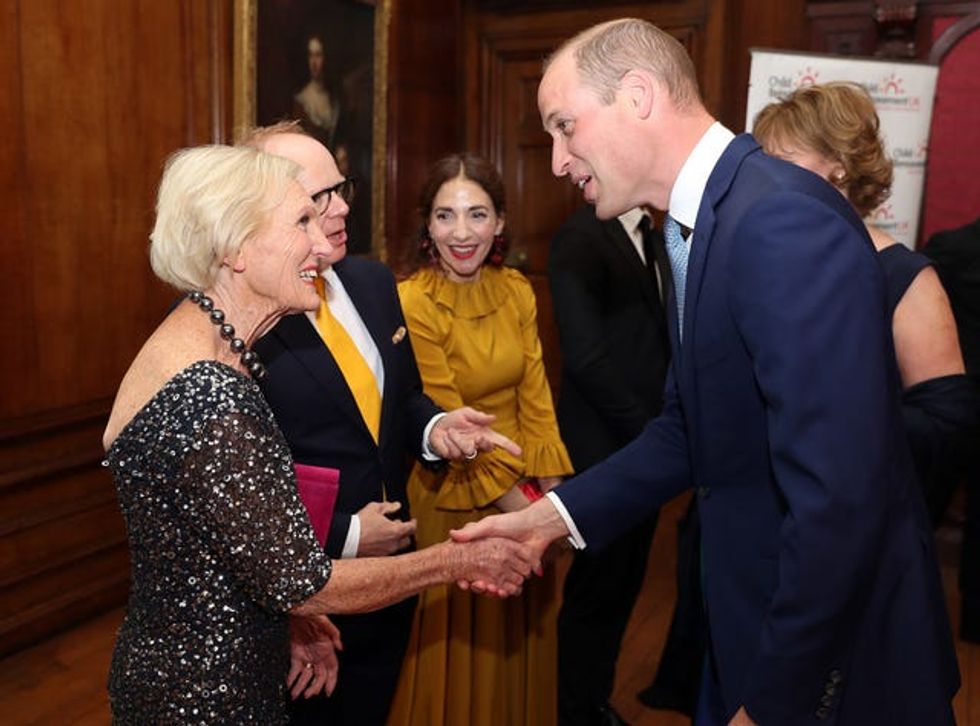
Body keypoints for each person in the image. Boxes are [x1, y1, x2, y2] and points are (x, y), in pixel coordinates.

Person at [453, 18, 960, 726]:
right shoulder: (693, 223)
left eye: (566, 126)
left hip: (832, 666)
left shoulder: (778, 221)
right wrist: (547, 521)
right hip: (751, 627)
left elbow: (840, 500)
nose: (559, 160)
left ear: (637, 96)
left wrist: (774, 703)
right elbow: (692, 425)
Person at [101, 144, 533, 724]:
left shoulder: (208, 348)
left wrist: (293, 616)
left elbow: (225, 544)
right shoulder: (212, 390)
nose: (320, 240)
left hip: (206, 662)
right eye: (301, 221)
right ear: (235, 248)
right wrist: (458, 561)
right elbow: (304, 580)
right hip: (207, 694)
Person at [241, 123, 519, 726]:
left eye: (340, 190)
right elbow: (243, 481)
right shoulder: (248, 317)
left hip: (395, 573)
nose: (341, 208)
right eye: (318, 200)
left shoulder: (369, 283)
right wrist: (344, 534)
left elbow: (404, 400)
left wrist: (435, 430)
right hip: (307, 597)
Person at [388, 153, 574, 726]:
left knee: (522, 639)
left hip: (522, 489)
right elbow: (448, 424)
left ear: (500, 222)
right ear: (427, 226)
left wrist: (555, 495)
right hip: (456, 495)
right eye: (445, 216)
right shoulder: (413, 301)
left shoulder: (517, 289)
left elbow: (536, 397)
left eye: (477, 214)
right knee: (455, 652)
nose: (461, 232)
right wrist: (529, 515)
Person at [753, 81, 974, 494]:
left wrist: (831, 420)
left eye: (781, 162)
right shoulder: (763, 266)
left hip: (861, 514)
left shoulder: (904, 277)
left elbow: (946, 424)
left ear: (838, 164)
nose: (763, 180)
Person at [547, 204, 671, 726]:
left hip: (643, 446)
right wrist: (650, 435)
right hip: (605, 448)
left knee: (625, 582)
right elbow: (585, 358)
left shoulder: (656, 234)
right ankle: (577, 710)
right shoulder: (580, 237)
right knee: (595, 590)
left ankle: (597, 700)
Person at [924, 216, 980, 643]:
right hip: (954, 402)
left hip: (953, 400)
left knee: (920, 513)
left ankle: (905, 609)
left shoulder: (949, 247)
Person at [293, 35, 341, 152]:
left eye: (318, 55)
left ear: (326, 58)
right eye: (310, 55)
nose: (314, 62)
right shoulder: (301, 100)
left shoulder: (335, 99)